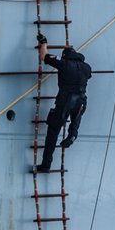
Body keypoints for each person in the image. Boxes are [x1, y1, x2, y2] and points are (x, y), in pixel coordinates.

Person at [34, 32, 92, 173]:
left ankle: (46, 165)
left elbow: (43, 56)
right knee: (76, 118)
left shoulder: (64, 63)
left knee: (53, 131)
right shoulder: (87, 67)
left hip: (65, 101)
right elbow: (88, 76)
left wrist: (44, 42)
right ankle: (72, 134)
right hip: (81, 100)